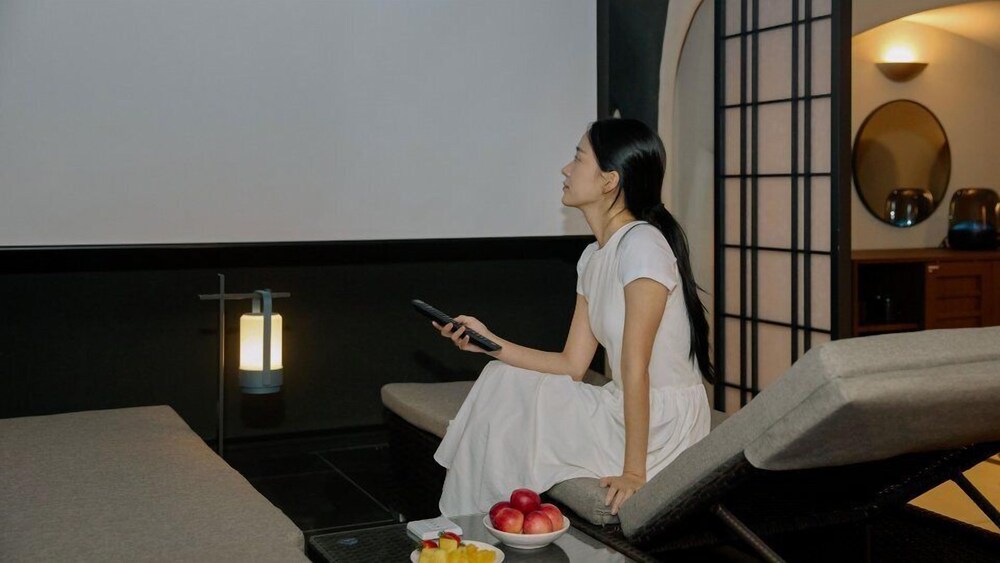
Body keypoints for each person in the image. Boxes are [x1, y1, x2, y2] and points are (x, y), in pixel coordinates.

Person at [431, 118, 713, 518]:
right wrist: (488, 341)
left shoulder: (642, 246)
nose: (566, 169)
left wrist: (634, 474)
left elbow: (635, 367)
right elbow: (571, 364)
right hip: (625, 408)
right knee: (502, 377)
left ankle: (470, 526)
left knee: (509, 406)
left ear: (609, 181)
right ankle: (479, 525)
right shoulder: (593, 257)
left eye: (578, 159)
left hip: (662, 426)